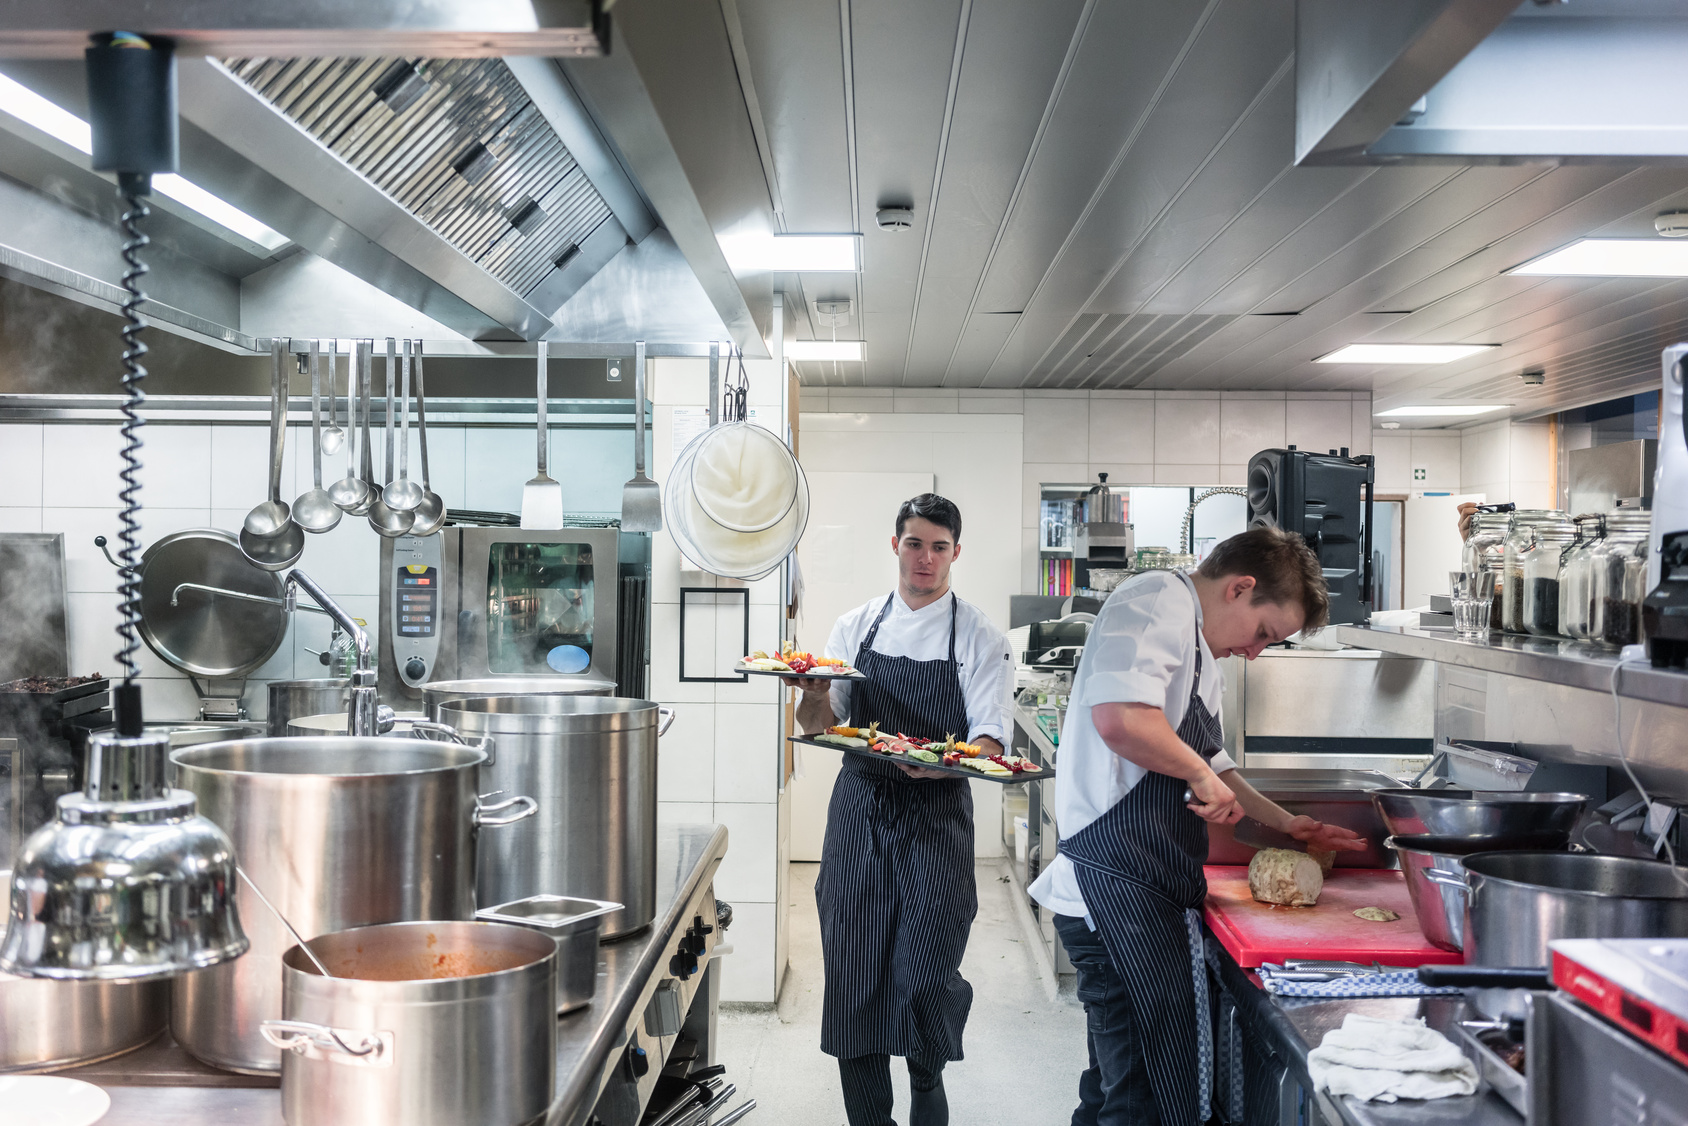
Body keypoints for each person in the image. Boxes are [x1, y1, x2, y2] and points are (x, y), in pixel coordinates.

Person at [1029, 527, 1366, 1126]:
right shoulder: (1156, 599)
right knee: (1137, 1102)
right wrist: (1198, 775)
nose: (1256, 652)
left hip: (1145, 891)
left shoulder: (1199, 647)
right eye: (1264, 633)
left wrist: (1289, 825)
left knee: (1115, 1092)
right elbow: (1121, 719)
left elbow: (1213, 762)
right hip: (1112, 894)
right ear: (1239, 587)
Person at [786, 493, 1013, 1126]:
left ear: (956, 553)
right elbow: (819, 726)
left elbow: (991, 739)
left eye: (939, 547)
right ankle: (869, 1117)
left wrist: (947, 761)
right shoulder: (856, 626)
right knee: (854, 965)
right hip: (861, 808)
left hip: (938, 814)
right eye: (914, 544)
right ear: (896, 546)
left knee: (929, 966)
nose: (925, 558)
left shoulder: (979, 635)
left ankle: (926, 1072)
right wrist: (814, 694)